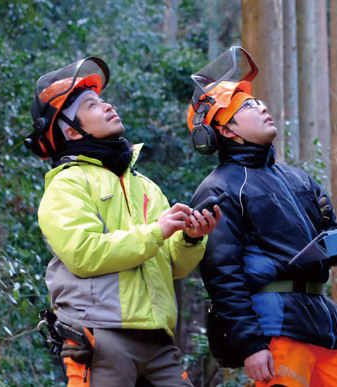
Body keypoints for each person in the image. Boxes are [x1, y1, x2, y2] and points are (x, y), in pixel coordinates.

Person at [25, 56, 220, 386]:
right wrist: (157, 231)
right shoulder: (67, 183)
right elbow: (85, 254)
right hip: (99, 335)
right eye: (91, 104)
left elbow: (172, 265)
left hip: (159, 341)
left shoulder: (145, 186)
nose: (106, 105)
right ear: (71, 130)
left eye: (102, 99)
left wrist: (189, 239)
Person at [187, 47, 337, 386]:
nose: (263, 107)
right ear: (225, 130)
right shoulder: (220, 187)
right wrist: (251, 345)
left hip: (323, 326)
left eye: (259, 103)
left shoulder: (297, 178)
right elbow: (222, 276)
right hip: (275, 329)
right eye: (249, 107)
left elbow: (329, 231)